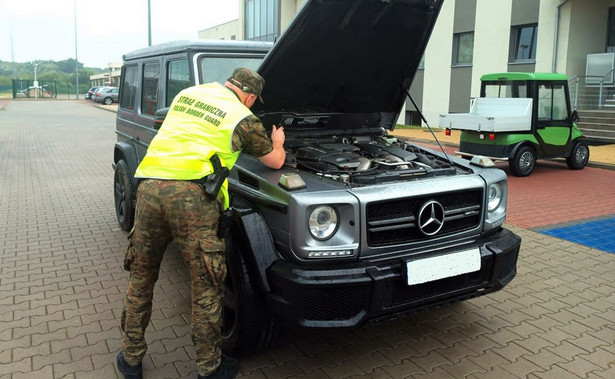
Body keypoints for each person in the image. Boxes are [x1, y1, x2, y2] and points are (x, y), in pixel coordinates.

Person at [116, 68, 286, 379]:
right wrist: (278, 141)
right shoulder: (242, 116)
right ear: (250, 96)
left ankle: (130, 360)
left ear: (228, 83)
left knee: (141, 278)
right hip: (192, 196)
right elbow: (275, 161)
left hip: (150, 188)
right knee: (205, 285)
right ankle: (210, 368)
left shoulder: (188, 94)